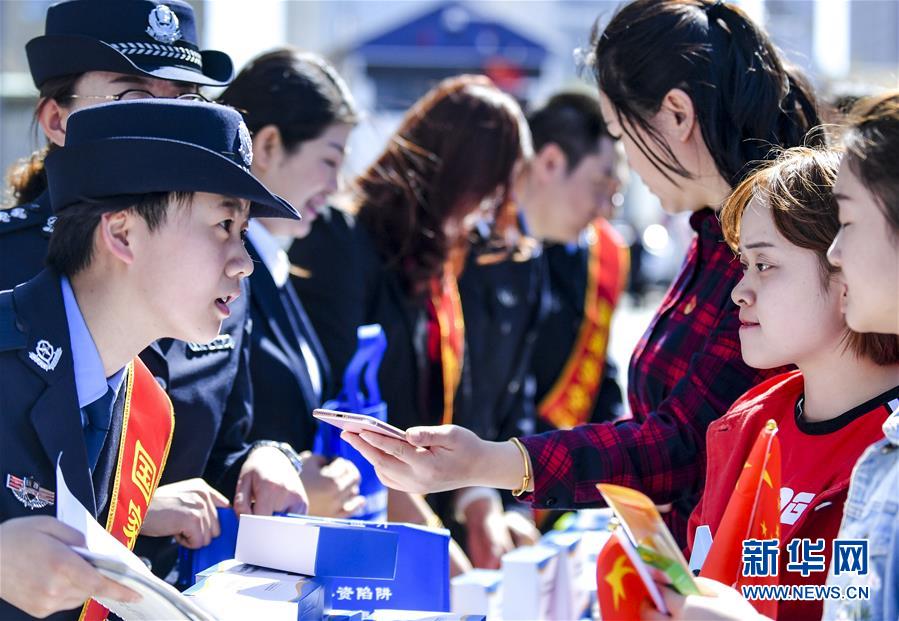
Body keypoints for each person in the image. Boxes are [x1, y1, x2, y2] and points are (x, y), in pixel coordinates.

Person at [342, 0, 822, 548]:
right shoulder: (716, 233)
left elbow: (686, 443)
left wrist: (494, 463)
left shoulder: (763, 244)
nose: (628, 165)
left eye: (622, 134)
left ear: (677, 114)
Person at [0, 0, 308, 575]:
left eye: (186, 102)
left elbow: (227, 439)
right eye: (134, 98)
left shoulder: (141, 392)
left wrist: (267, 456)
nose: (242, 263)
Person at [642, 91, 899, 621]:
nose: (739, 292)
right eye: (744, 265)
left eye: (765, 265)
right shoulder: (747, 423)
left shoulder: (883, 448)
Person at [289, 74, 540, 568]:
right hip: (358, 522)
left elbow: (461, 400)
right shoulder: (343, 240)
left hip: (419, 523)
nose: (490, 211)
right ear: (458, 173)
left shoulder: (438, 259)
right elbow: (340, 410)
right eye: (488, 191)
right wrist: (430, 543)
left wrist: (479, 502)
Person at [217, 48, 365, 518]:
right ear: (267, 147)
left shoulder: (274, 266)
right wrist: (296, 488)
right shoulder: (221, 272)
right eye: (329, 160)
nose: (337, 185)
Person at [515, 91, 629, 430]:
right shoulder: (474, 251)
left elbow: (597, 368)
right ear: (550, 163)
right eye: (600, 185)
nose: (606, 209)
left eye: (615, 193)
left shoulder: (595, 253)